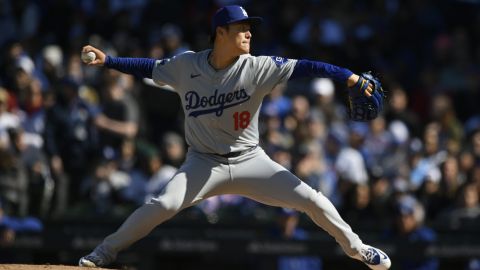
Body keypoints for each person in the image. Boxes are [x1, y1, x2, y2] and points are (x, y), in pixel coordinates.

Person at [78, 5, 391, 270]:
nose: (249, 33)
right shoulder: (187, 65)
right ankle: (104, 252)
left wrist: (348, 76)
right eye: (241, 28)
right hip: (202, 163)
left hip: (250, 160)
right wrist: (110, 61)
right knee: (162, 204)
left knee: (311, 199)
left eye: (249, 28)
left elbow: (309, 67)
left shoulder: (257, 67)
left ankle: (357, 249)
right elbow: (148, 66)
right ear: (220, 33)